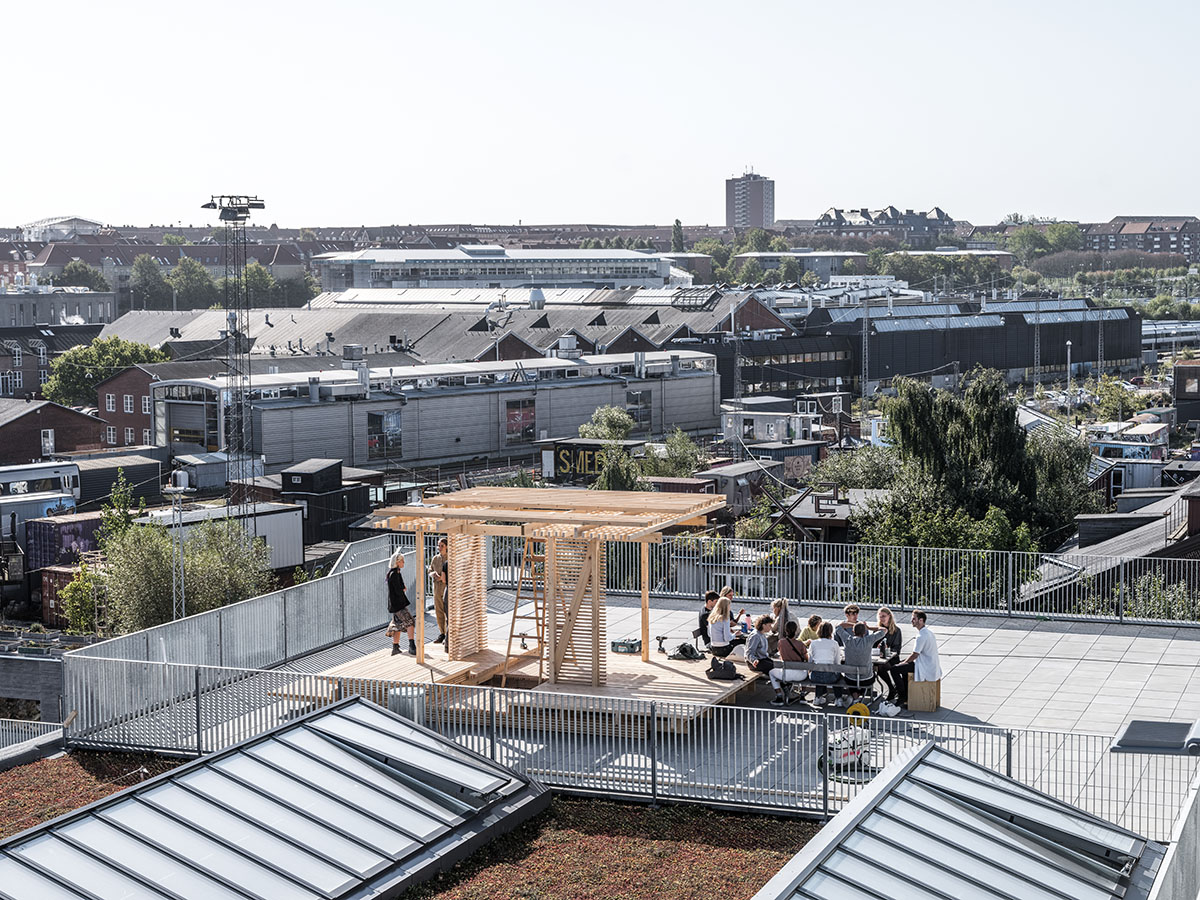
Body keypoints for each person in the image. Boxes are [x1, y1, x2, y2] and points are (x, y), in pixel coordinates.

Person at [892, 610, 942, 706]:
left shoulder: (921, 636)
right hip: (930, 665)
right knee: (903, 666)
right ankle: (906, 694)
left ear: (921, 620)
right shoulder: (928, 632)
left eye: (914, 619)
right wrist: (904, 662)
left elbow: (915, 655)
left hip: (925, 667)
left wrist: (903, 663)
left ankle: (902, 696)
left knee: (894, 669)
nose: (912, 621)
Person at [836, 621, 887, 705]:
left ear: (853, 631)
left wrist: (853, 624)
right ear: (865, 632)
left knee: (850, 677)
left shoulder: (847, 640)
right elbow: (884, 630)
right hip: (866, 679)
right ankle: (859, 696)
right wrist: (869, 627)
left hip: (850, 679)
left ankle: (855, 696)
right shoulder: (869, 640)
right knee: (868, 675)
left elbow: (838, 626)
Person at [770, 619, 809, 706]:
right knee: (806, 668)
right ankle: (802, 695)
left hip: (785, 674)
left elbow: (781, 655)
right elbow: (807, 659)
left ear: (785, 630)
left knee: (771, 673)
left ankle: (779, 696)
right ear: (796, 631)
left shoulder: (781, 642)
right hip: (800, 676)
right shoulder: (800, 644)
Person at [386, 550, 416, 656]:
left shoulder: (395, 572)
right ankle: (411, 645)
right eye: (402, 561)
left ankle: (395, 647)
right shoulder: (394, 574)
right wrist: (402, 589)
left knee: (397, 624)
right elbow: (398, 590)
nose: (404, 563)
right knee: (410, 622)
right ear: (397, 562)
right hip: (398, 604)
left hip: (396, 604)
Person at [874, 606, 904, 701]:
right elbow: (872, 644)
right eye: (880, 616)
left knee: (881, 666)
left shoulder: (896, 631)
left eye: (883, 616)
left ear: (889, 616)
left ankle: (892, 689)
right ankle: (891, 688)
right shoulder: (878, 629)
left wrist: (887, 650)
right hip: (879, 657)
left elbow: (896, 649)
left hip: (892, 658)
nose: (881, 618)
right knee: (877, 666)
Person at [808, 621, 842, 706]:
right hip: (830, 677)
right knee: (838, 675)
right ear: (830, 631)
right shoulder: (834, 643)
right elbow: (837, 662)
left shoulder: (813, 643)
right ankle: (839, 698)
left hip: (815, 677)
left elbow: (810, 660)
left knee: (819, 671)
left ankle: (818, 697)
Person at [430, 538, 449, 645]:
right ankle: (442, 633)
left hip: (446, 587)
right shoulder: (435, 559)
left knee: (448, 610)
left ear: (446, 546)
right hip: (437, 588)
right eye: (438, 545)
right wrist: (433, 574)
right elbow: (430, 570)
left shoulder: (450, 558)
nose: (439, 548)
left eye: (442, 545)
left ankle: (448, 634)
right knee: (439, 610)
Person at [745, 615, 775, 679]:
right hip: (754, 662)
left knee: (775, 664)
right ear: (764, 625)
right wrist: (754, 660)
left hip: (762, 659)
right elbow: (749, 652)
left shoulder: (762, 634)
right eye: (769, 625)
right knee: (771, 667)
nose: (771, 627)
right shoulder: (755, 636)